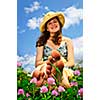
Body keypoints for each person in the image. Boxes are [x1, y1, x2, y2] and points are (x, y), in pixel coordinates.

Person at [32, 11, 75, 88]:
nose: (53, 24)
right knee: (45, 68)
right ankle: (51, 77)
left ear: (59, 24)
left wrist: (58, 64)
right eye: (50, 23)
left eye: (55, 22)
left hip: (64, 66)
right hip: (45, 65)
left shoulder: (68, 41)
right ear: (47, 28)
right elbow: (38, 62)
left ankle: (55, 76)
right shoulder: (41, 43)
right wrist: (50, 63)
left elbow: (71, 62)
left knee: (62, 70)